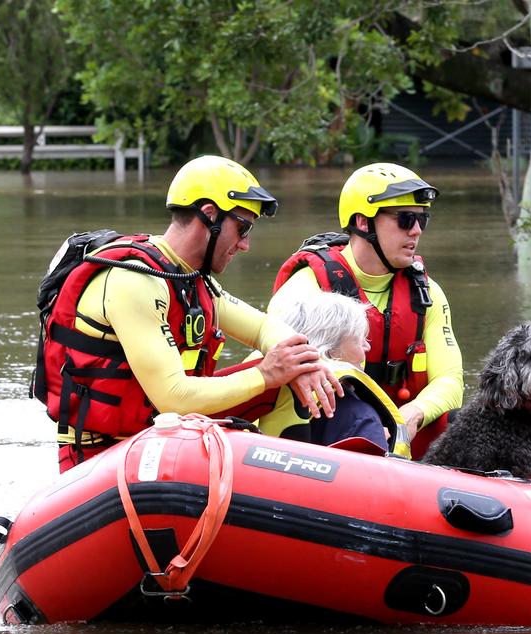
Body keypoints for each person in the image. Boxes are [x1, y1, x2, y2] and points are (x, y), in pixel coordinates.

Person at [38, 155, 341, 472]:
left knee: (288, 377)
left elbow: (264, 328)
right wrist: (266, 374)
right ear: (209, 215)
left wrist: (304, 362)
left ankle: (299, 495)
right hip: (104, 456)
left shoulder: (189, 279)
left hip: (166, 436)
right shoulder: (135, 281)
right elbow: (175, 397)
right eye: (242, 228)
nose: (245, 245)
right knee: (271, 375)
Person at [269, 162, 462, 457]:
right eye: (405, 219)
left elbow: (450, 380)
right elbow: (277, 368)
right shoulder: (306, 287)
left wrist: (413, 414)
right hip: (331, 437)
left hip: (402, 435)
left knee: (460, 419)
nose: (416, 231)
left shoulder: (428, 294)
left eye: (423, 220)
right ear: (362, 222)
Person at [258, 292, 409, 456]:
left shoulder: (262, 390)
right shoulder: (360, 418)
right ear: (330, 350)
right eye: (359, 339)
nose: (367, 347)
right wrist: (374, 436)